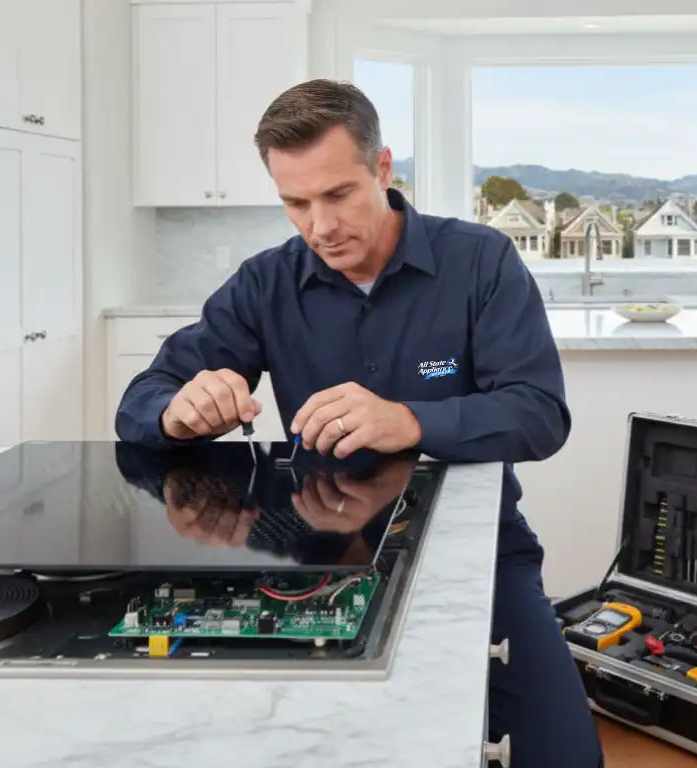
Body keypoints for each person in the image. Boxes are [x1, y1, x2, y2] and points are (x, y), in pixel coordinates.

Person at [115, 78, 604, 767]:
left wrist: (407, 420)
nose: (320, 226)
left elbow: (538, 414)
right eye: (295, 203)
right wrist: (178, 407)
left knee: (563, 756)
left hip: (481, 552)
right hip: (309, 562)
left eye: (337, 195)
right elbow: (144, 396)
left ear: (382, 168)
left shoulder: (479, 262)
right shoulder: (265, 283)